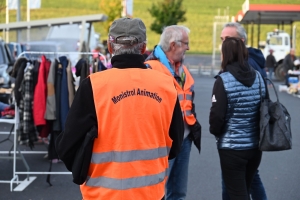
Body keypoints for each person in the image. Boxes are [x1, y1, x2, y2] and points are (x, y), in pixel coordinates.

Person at [55, 17, 184, 200]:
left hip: (103, 195)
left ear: (109, 46)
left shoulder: (94, 86)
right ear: (143, 48)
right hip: (151, 194)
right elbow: (175, 146)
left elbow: (67, 146)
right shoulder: (166, 86)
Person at [145, 25, 201, 200]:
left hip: (184, 140)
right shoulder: (150, 69)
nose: (188, 48)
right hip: (162, 141)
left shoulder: (182, 69)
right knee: (156, 192)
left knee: (178, 193)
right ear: (173, 45)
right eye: (185, 43)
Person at [209, 37, 266, 199]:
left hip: (231, 147)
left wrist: (216, 133)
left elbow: (217, 116)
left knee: (236, 193)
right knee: (245, 188)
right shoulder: (258, 78)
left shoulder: (223, 80)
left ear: (225, 55)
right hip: (255, 146)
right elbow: (265, 108)